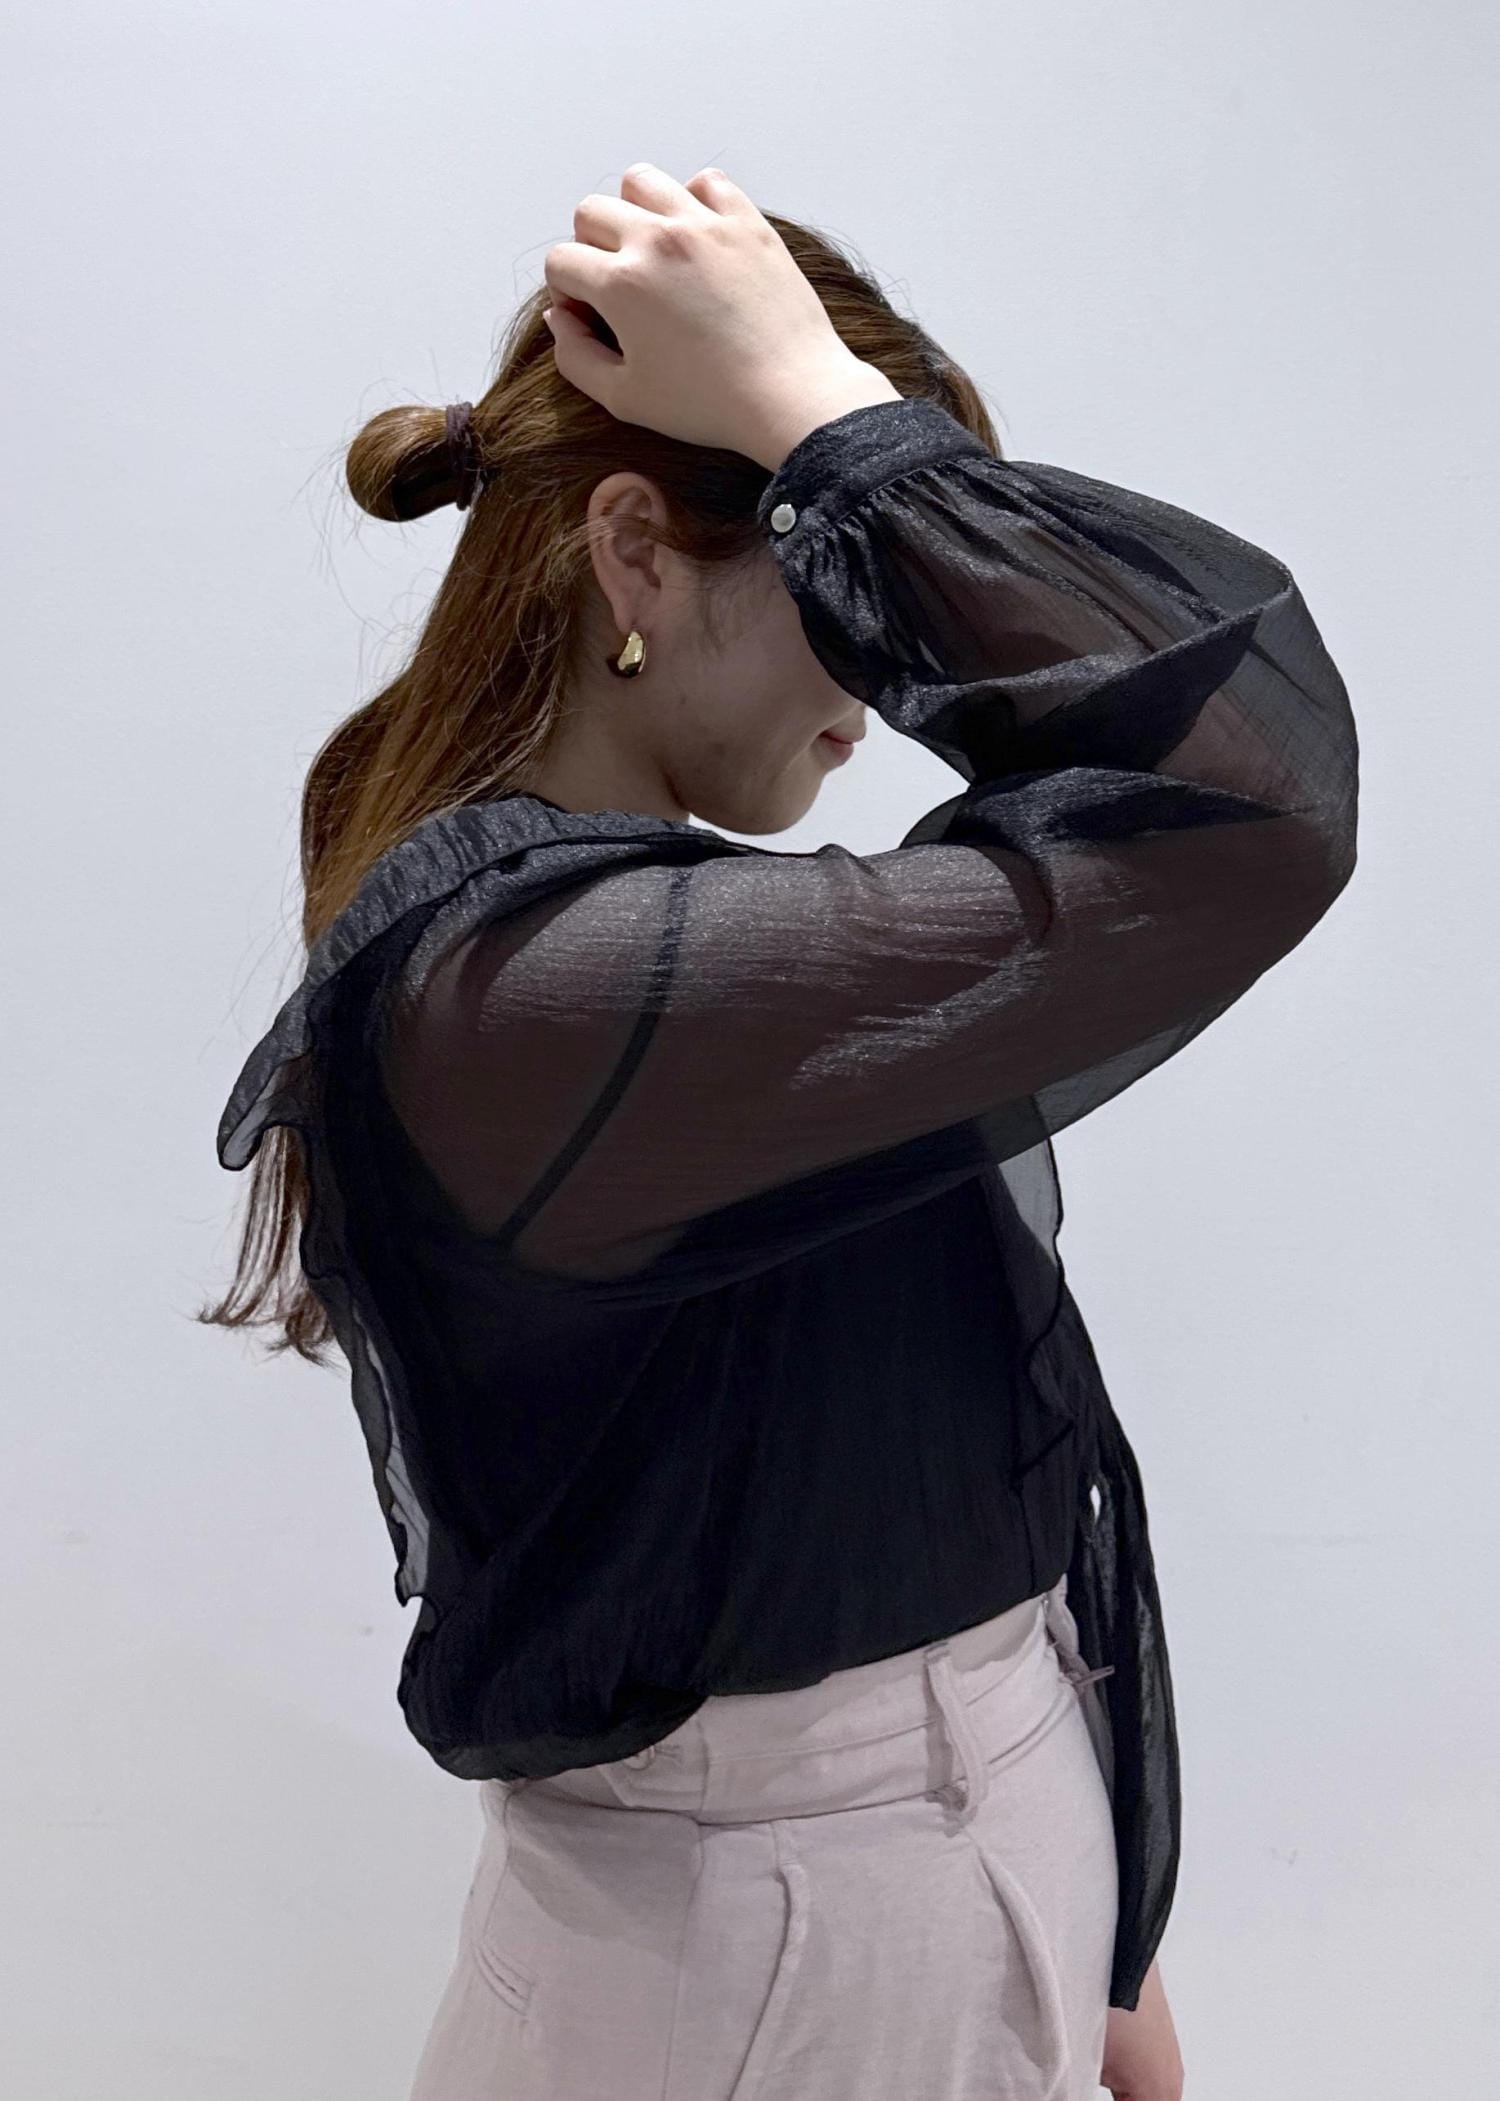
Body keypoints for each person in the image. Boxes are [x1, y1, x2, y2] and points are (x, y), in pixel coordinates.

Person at [203, 162, 1359, 2101]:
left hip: (890, 1898)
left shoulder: (633, 963)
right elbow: (1261, 793)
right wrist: (831, 416)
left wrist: (1071, 1875)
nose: (888, 694)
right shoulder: (540, 1000)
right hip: (778, 1967)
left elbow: (866, 1401)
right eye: (845, 586)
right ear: (636, 557)